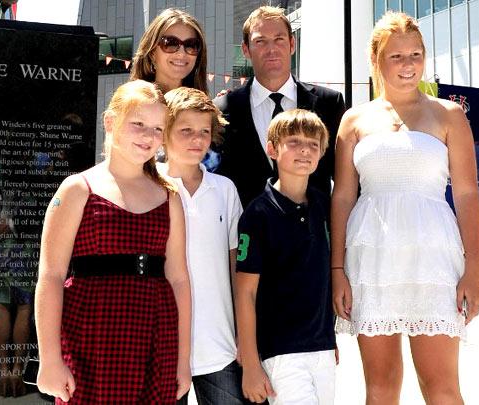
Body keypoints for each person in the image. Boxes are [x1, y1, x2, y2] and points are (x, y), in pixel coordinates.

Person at [331, 12, 479, 404]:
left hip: (434, 261)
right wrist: (337, 271)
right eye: (397, 56)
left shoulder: (448, 114)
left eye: (416, 53)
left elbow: (467, 194)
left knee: (442, 388)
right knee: (380, 388)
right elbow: (343, 197)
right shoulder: (353, 120)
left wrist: (475, 268)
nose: (409, 64)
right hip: (371, 263)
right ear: (376, 59)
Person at [34, 80, 192, 404]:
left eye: (158, 129)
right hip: (90, 339)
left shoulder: (169, 196)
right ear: (110, 122)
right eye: (138, 124)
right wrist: (50, 359)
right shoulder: (77, 189)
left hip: (155, 339)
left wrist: (183, 359)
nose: (149, 137)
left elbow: (178, 278)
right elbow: (50, 276)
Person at [235, 109, 337, 404]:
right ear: (272, 149)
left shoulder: (323, 206)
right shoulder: (257, 214)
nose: (305, 149)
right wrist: (251, 364)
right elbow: (245, 293)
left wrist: (328, 339)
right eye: (293, 141)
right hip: (281, 352)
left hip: (322, 348)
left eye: (313, 144)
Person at [156, 87, 247, 405]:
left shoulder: (225, 189)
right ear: (164, 132)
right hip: (161, 346)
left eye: (204, 132)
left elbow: (237, 263)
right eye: (186, 131)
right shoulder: (148, 186)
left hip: (218, 344)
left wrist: (244, 332)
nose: (197, 139)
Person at [214, 6, 345, 207]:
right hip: (245, 232)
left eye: (279, 39)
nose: (271, 49)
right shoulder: (222, 110)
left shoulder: (328, 103)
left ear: (292, 44)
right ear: (246, 49)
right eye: (260, 41)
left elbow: (344, 180)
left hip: (313, 231)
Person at [130, 8, 208, 95]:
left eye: (190, 45)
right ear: (152, 52)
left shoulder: (204, 106)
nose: (181, 54)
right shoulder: (132, 103)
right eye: (171, 43)